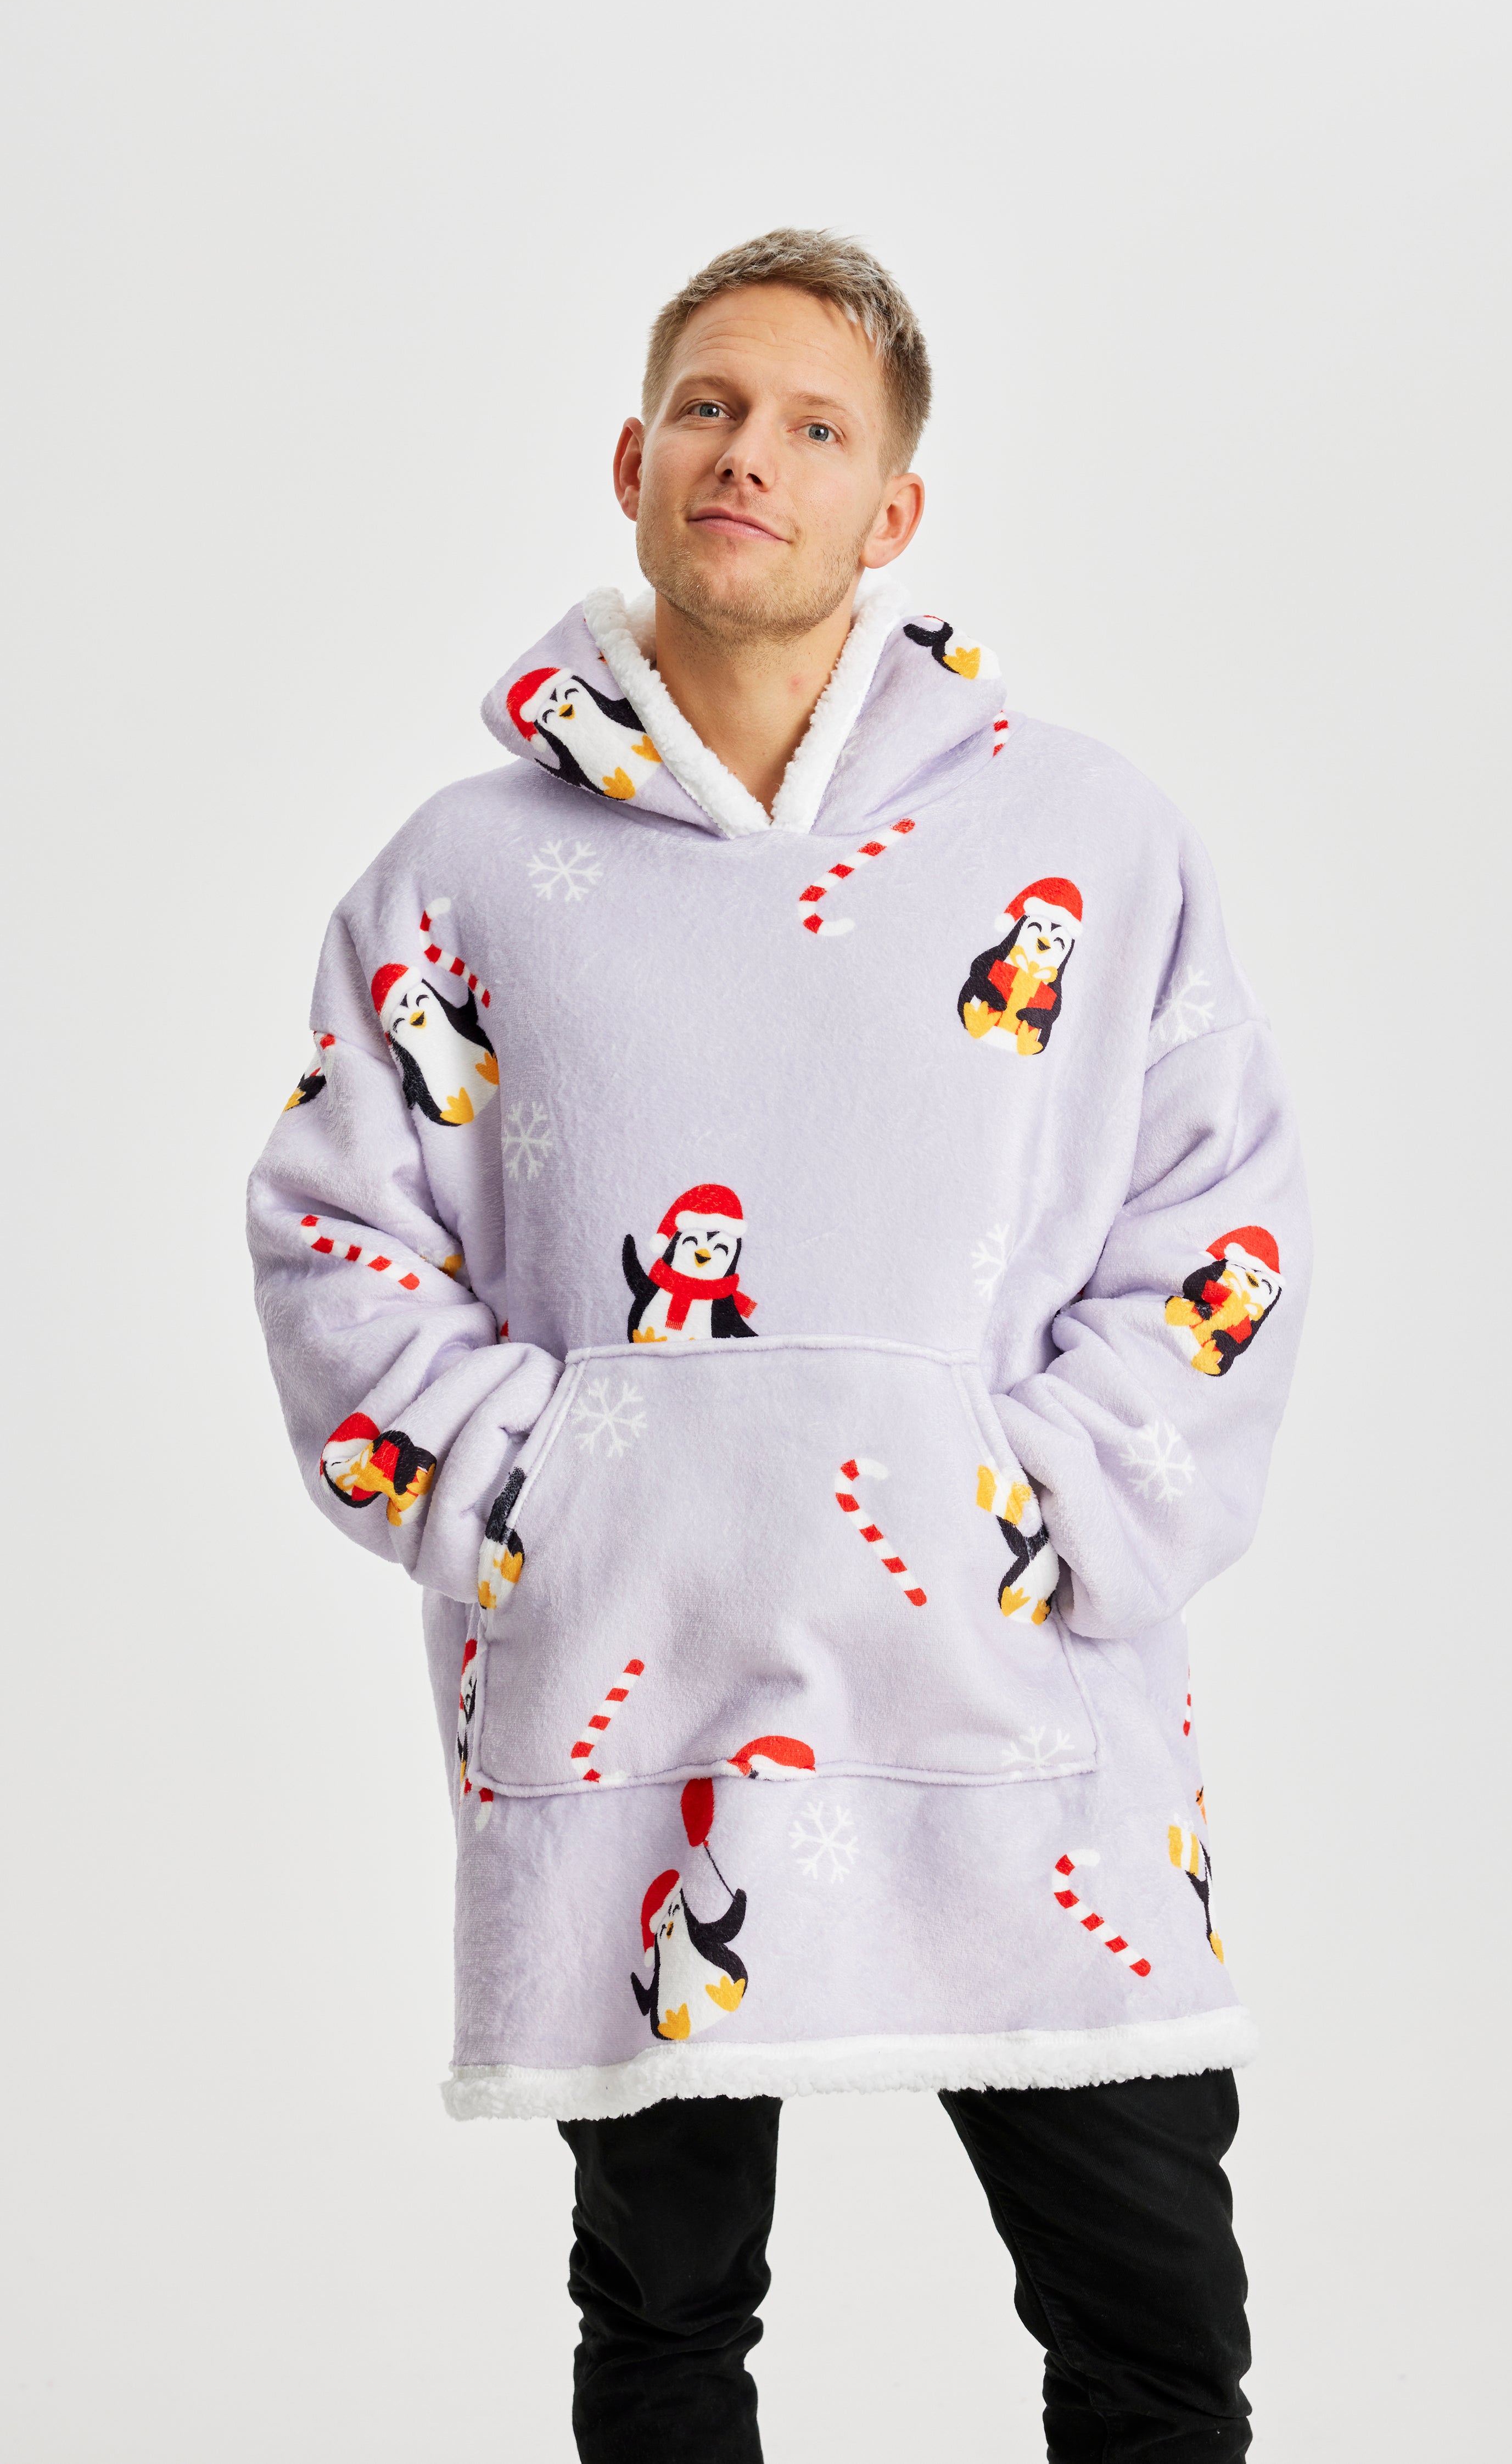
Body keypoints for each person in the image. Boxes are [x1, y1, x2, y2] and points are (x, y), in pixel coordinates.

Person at [248, 227, 1308, 2461]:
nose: (751, 455)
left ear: (891, 509)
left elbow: (1215, 1222)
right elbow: (338, 1237)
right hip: (639, 1699)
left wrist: (1039, 1509)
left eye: (816, 427)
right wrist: (540, 1489)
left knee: (1153, 2332)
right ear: (633, 461)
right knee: (665, 2325)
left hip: (1019, 1710)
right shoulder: (465, 872)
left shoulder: (1085, 839)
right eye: (710, 410)